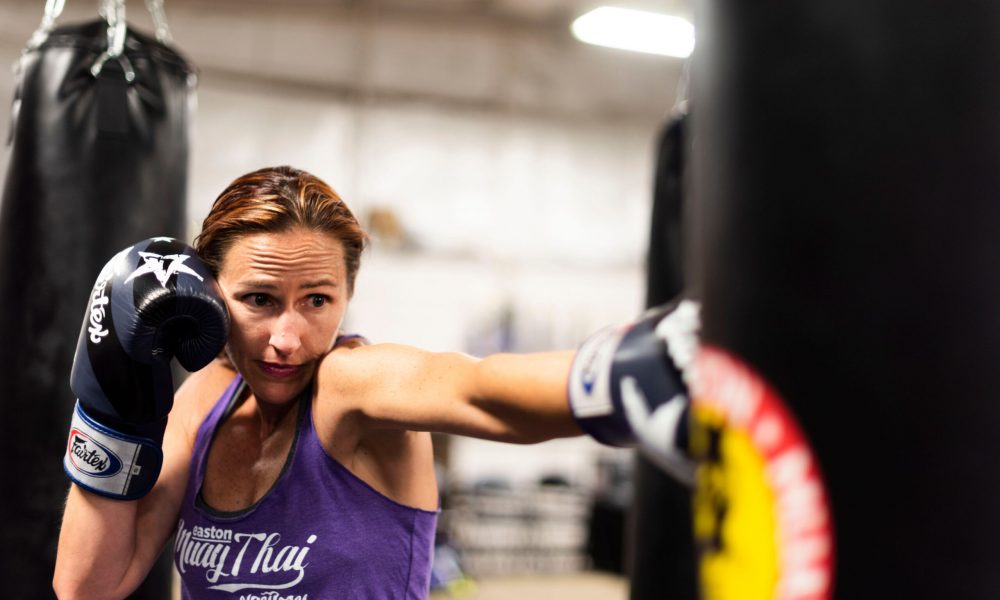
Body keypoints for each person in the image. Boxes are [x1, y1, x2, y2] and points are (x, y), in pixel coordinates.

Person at [53, 166, 691, 599]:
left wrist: (615, 375)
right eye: (258, 299)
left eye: (318, 301)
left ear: (349, 294)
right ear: (209, 294)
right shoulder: (201, 403)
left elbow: (473, 388)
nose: (289, 338)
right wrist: (112, 412)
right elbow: (87, 588)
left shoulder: (349, 387)